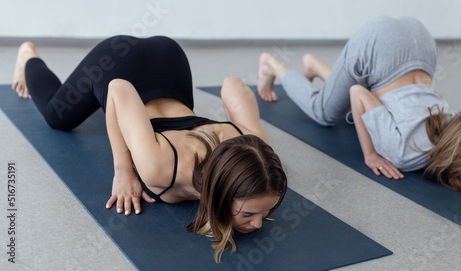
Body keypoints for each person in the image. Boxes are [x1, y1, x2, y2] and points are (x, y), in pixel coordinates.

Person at [12, 35, 287, 262]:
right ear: (219, 192)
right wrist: (123, 170)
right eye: (249, 214)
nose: (258, 224)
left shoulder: (254, 148)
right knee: (56, 116)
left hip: (171, 58)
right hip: (118, 62)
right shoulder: (160, 167)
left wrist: (233, 121)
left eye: (265, 212)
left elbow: (232, 85)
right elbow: (118, 88)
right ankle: (27, 55)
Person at [257, 16, 461, 192]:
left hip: (421, 42)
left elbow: (440, 100)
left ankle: (314, 66)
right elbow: (358, 92)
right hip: (376, 45)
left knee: (359, 103)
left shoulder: (458, 128)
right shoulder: (404, 153)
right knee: (325, 114)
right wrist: (371, 154)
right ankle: (273, 65)